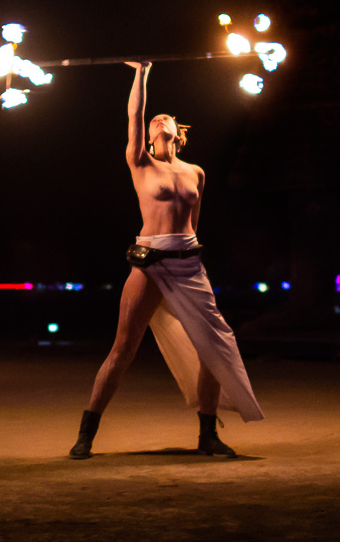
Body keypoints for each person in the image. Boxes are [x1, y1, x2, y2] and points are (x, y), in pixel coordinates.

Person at [68, 61, 264, 460]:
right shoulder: (140, 162)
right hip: (150, 264)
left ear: (178, 133)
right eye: (155, 119)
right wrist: (141, 72)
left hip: (189, 264)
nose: (159, 119)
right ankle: (86, 434)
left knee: (213, 346)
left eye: (166, 118)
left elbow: (194, 224)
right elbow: (135, 113)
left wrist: (190, 253)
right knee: (123, 349)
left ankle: (207, 435)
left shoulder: (196, 173)